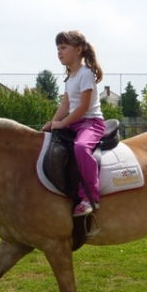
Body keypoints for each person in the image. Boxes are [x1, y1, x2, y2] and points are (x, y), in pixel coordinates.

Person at [42, 30, 106, 217]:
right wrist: (54, 122)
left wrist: (63, 124)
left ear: (78, 50)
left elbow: (84, 107)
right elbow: (65, 104)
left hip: (91, 122)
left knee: (80, 147)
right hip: (75, 122)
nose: (59, 52)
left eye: (63, 47)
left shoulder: (85, 73)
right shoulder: (70, 76)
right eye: (58, 48)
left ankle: (90, 196)